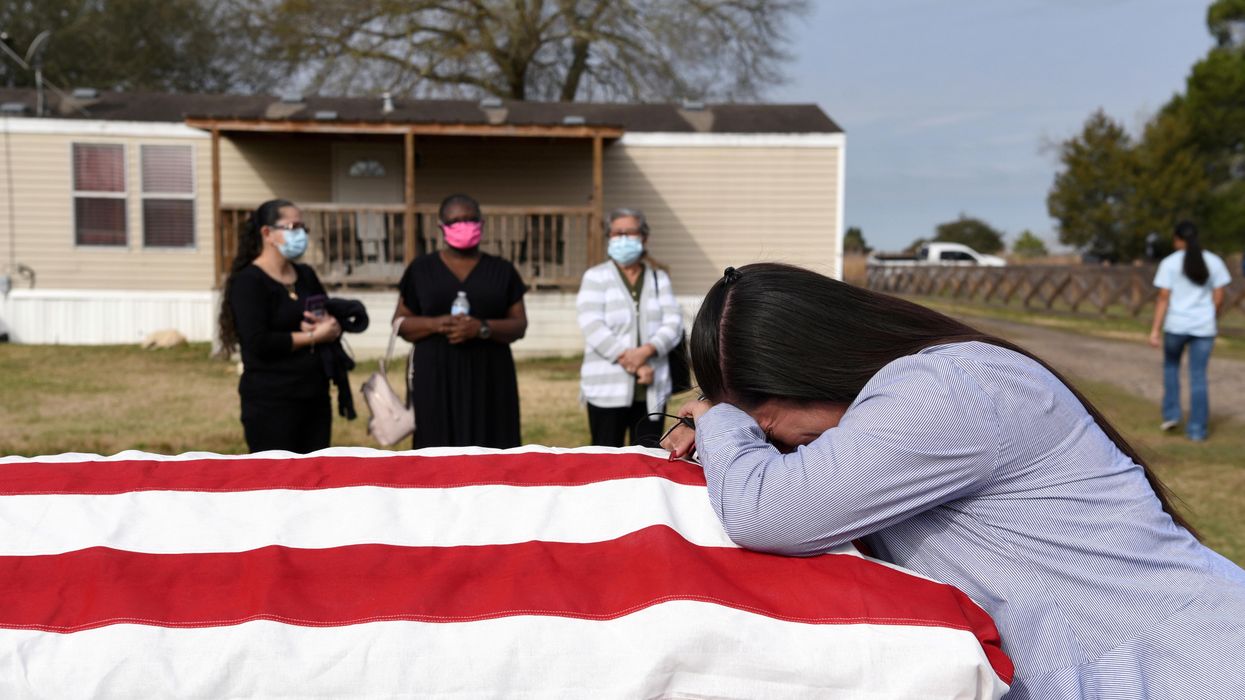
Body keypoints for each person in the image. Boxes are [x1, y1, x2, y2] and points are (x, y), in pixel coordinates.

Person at [661, 263, 1245, 699]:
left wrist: (721, 423)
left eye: (766, 414)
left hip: (1180, 669)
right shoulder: (924, 388)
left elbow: (770, 512)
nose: (779, 440)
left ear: (814, 365)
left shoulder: (947, 388)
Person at [392, 194, 527, 448]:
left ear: (481, 224)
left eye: (470, 220)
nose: (463, 226)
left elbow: (519, 325)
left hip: (490, 376)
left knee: (493, 446)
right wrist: (435, 324)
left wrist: (482, 328)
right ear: (442, 226)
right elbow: (400, 323)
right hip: (435, 376)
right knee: (436, 451)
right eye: (455, 221)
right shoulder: (421, 269)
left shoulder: (502, 270)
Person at [218, 199, 342, 453]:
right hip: (271, 401)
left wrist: (332, 325)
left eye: (303, 228)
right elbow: (258, 342)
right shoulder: (249, 282)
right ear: (267, 233)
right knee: (278, 482)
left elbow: (327, 314)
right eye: (292, 226)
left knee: (315, 479)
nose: (300, 235)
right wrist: (313, 336)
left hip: (314, 396)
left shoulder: (305, 275)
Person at [575, 208, 684, 447]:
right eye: (617, 233)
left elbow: (673, 323)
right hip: (606, 387)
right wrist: (634, 363)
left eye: (630, 232)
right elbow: (592, 325)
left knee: (647, 459)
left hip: (651, 388)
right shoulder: (595, 277)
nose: (623, 238)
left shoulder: (659, 279)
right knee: (605, 458)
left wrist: (645, 352)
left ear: (643, 237)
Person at [1148, 221, 1232, 441]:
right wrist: (1210, 315)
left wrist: (1155, 329)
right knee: (1198, 377)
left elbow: (1163, 298)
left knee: (1171, 369)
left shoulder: (1169, 263)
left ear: (1177, 239)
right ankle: (1197, 430)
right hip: (1203, 328)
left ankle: (1171, 415)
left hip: (1176, 326)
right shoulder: (1214, 261)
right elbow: (1220, 295)